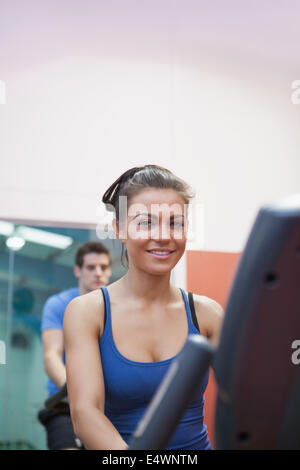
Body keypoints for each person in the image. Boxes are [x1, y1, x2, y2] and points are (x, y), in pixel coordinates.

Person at [63, 165, 224, 450]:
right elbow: (85, 415)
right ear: (119, 229)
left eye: (175, 222)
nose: (163, 236)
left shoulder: (207, 314)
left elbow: (247, 399)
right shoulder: (87, 312)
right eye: (146, 222)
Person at [39, 241, 112, 450]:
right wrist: (79, 392)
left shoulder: (118, 306)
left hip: (110, 406)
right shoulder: (59, 304)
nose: (98, 272)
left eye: (104, 267)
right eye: (91, 267)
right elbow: (51, 355)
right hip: (66, 405)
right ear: (78, 270)